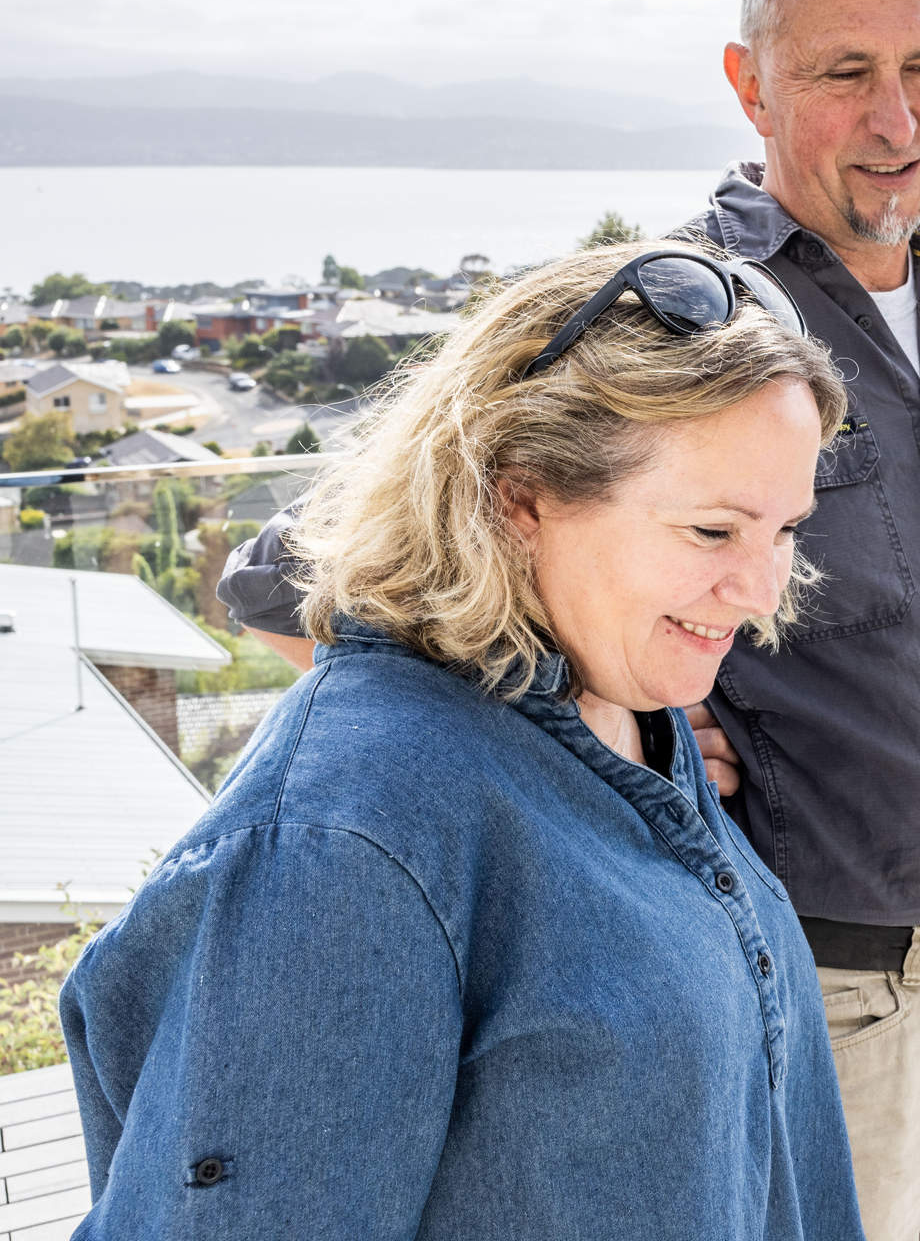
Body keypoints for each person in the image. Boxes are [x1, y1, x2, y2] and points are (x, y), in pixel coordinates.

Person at [220, 0, 920, 1241]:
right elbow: (298, 573)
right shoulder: (680, 317)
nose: (898, 121)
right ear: (751, 85)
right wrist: (577, 717)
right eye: (845, 72)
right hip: (815, 999)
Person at [65, 243, 864, 1239]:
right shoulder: (343, 843)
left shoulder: (619, 705)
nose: (760, 591)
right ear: (519, 496)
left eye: (786, 529)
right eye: (712, 532)